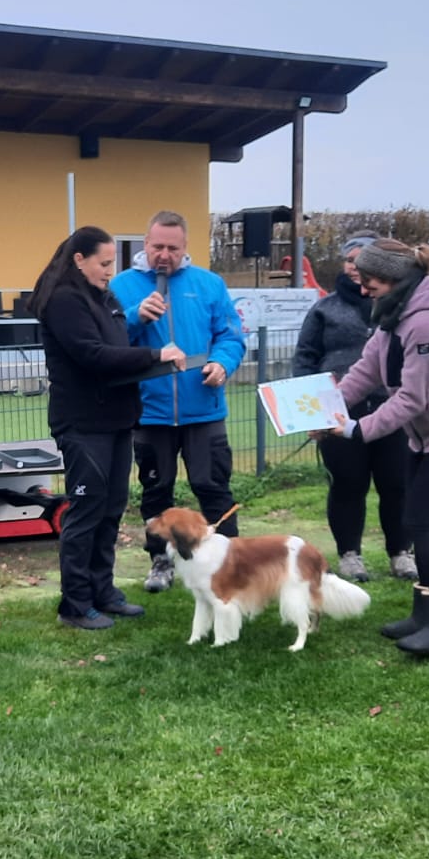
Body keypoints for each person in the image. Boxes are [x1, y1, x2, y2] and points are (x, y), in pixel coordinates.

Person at [325, 238, 429, 657]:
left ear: (394, 279)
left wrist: (355, 430)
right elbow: (364, 372)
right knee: (412, 517)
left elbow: (411, 398)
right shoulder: (394, 315)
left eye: (370, 280)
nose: (362, 287)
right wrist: (326, 412)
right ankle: (424, 615)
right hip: (428, 436)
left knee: (420, 522)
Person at [31, 226, 184, 630]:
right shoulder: (65, 300)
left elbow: (117, 350)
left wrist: (149, 361)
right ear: (79, 260)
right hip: (83, 423)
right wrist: (154, 355)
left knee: (111, 510)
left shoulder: (105, 298)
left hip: (117, 419)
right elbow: (92, 355)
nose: (109, 271)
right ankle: (75, 603)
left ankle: (103, 591)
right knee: (87, 511)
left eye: (112, 263)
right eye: (103, 263)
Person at [109, 210, 246, 594]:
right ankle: (161, 562)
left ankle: (229, 562)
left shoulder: (209, 284)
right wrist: (135, 318)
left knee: (212, 485)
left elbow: (231, 336)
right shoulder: (121, 286)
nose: (164, 255)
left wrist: (222, 363)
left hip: (204, 408)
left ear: (185, 247)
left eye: (173, 248)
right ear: (145, 244)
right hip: (149, 412)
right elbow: (108, 342)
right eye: (157, 247)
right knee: (157, 490)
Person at [293, 233, 417, 583]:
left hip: (394, 409)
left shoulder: (400, 306)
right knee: (347, 485)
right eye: (349, 260)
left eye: (361, 260)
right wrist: (311, 409)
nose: (354, 267)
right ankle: (350, 554)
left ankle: (401, 553)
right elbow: (305, 358)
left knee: (396, 484)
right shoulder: (324, 309)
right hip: (339, 411)